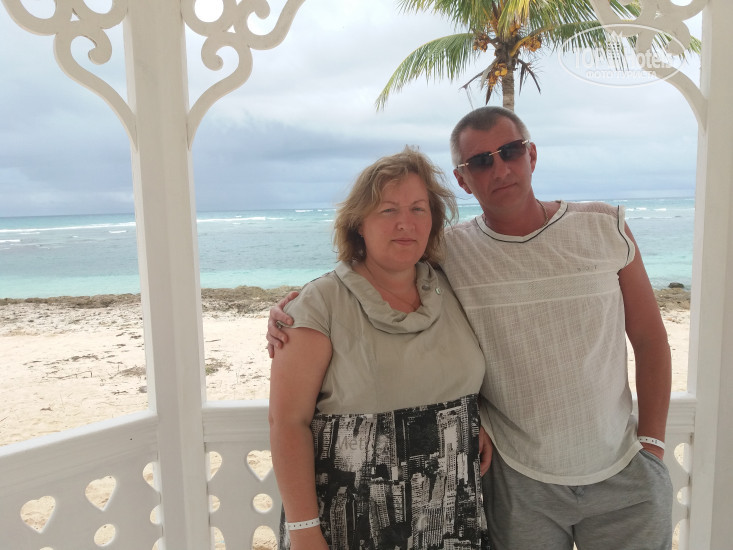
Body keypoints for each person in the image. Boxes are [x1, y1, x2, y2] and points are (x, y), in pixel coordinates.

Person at [268, 107, 674, 550]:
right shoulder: (440, 259)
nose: (500, 168)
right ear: (463, 179)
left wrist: (652, 443)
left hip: (574, 485)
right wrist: (292, 309)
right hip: (477, 494)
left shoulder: (597, 228)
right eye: (481, 161)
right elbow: (291, 412)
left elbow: (649, 339)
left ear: (531, 154)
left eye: (510, 151)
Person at [268, 147, 491, 550]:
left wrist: (477, 421)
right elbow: (287, 422)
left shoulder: (453, 285)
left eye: (418, 209)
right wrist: (303, 531)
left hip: (451, 519)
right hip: (353, 525)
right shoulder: (320, 303)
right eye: (388, 210)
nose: (405, 223)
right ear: (359, 224)